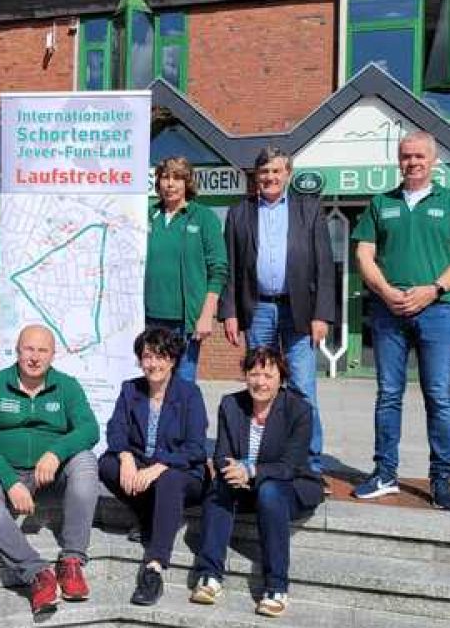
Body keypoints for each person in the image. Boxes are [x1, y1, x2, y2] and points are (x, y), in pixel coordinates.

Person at [351, 130, 450, 511]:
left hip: (437, 311)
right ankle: (385, 474)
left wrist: (434, 289)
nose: (412, 162)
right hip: (388, 311)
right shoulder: (381, 203)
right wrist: (386, 291)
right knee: (388, 395)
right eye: (406, 156)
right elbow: (363, 254)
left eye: (420, 156)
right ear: (398, 159)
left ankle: (441, 479)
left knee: (438, 396)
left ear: (433, 160)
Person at [219, 146, 335, 478]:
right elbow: (231, 266)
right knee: (259, 383)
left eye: (276, 171)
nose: (269, 177)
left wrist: (322, 314)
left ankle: (309, 464)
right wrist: (230, 312)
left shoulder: (309, 209)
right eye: (264, 171)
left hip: (299, 309)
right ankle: (258, 457)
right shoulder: (239, 212)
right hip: (258, 311)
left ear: (287, 175)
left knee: (302, 388)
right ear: (256, 176)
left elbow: (325, 266)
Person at [0, 324, 100, 616]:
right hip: (2, 471)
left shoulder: (67, 386)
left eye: (43, 350)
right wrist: (10, 481)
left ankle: (72, 562)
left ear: (53, 355)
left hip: (49, 476)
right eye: (29, 349)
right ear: (17, 351)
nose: (35, 357)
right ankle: (37, 572)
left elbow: (90, 429)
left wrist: (56, 453)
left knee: (86, 462)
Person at [189, 347, 323, 618]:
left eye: (268, 375)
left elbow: (290, 466)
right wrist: (233, 470)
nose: (260, 381)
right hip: (244, 484)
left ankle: (276, 586)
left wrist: (249, 470)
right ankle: (209, 575)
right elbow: (222, 455)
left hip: (288, 486)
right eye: (254, 373)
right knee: (219, 487)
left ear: (281, 378)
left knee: (270, 491)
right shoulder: (231, 404)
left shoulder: (300, 410)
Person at [98, 327, 208, 606]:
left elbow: (196, 449)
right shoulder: (130, 389)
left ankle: (154, 567)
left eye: (161, 356)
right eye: (147, 356)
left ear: (172, 360)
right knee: (107, 465)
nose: (153, 364)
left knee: (169, 480)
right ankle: (149, 519)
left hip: (183, 474)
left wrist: (160, 465)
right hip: (142, 468)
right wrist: (125, 457)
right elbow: (116, 432)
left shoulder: (189, 394)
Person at [144, 156, 228, 382]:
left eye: (177, 178)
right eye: (165, 177)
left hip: (185, 322)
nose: (170, 184)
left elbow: (218, 270)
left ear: (187, 183)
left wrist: (206, 315)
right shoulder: (147, 216)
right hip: (148, 319)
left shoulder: (204, 217)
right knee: (153, 382)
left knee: (182, 385)